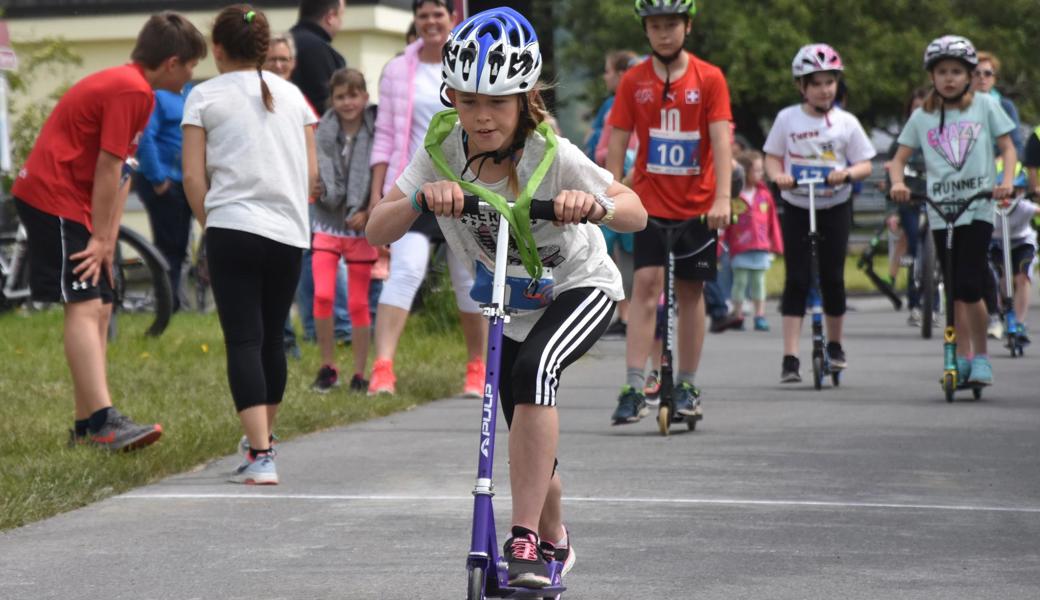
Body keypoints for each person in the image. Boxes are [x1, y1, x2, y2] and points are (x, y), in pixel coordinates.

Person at [366, 8, 645, 587]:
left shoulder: (554, 155)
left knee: (536, 369)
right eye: (467, 101)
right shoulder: (441, 149)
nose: (482, 116)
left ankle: (521, 540)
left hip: (579, 285)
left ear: (525, 100)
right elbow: (376, 229)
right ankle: (555, 537)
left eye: (497, 102)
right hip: (513, 298)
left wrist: (592, 205)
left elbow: (636, 211)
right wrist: (420, 200)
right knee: (523, 425)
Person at [12, 12, 206, 451]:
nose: (193, 74)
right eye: (192, 64)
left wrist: (108, 241)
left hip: (78, 202)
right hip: (52, 196)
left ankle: (86, 426)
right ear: (173, 62)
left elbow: (123, 174)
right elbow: (107, 165)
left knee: (101, 303)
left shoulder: (142, 92)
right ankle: (103, 421)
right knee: (83, 305)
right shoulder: (129, 88)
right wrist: (98, 239)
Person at [182, 5, 318, 485]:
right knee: (273, 337)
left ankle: (261, 454)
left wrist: (211, 222)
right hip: (288, 232)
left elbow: (193, 176)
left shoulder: (203, 95)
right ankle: (263, 443)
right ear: (264, 49)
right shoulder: (294, 97)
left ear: (216, 50)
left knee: (243, 338)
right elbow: (312, 176)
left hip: (232, 228)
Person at [606, 0, 733, 425]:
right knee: (644, 285)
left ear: (687, 26)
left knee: (693, 291)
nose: (664, 33)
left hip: (697, 205)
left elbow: (721, 141)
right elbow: (619, 140)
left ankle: (688, 383)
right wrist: (612, 190)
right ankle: (633, 383)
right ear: (646, 30)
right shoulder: (633, 81)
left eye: (672, 25)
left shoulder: (709, 78)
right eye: (656, 26)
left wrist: (723, 198)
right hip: (649, 202)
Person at [368, 0, 488, 397]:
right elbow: (384, 136)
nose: (431, 22)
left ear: (452, 18)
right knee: (405, 271)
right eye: (423, 15)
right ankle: (382, 369)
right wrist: (377, 196)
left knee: (468, 279)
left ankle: (477, 368)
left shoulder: (471, 63)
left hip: (465, 185)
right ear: (415, 21)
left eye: (438, 14)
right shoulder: (399, 69)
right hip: (414, 185)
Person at [889, 35, 1016, 386]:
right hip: (942, 210)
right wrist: (898, 184)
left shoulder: (985, 106)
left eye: (956, 72)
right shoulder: (922, 116)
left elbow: (1007, 148)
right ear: (932, 76)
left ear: (969, 75)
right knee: (953, 286)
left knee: (969, 285)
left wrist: (1005, 181)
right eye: (942, 71)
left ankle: (982, 358)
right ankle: (960, 356)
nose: (949, 78)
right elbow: (897, 160)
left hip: (977, 207)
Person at [764, 43, 875, 383]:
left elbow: (865, 163)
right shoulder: (787, 119)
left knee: (832, 277)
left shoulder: (846, 122)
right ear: (802, 87)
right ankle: (790, 357)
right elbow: (772, 156)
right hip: (799, 203)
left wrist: (847, 174)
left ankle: (836, 346)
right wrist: (777, 176)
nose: (824, 89)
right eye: (816, 83)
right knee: (796, 278)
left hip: (834, 204)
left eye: (829, 82)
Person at [265, 31, 351, 353]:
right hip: (271, 194)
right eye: (272, 59)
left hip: (304, 194)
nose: (278, 65)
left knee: (305, 262)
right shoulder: (258, 97)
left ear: (293, 63)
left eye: (284, 59)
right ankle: (285, 338)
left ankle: (321, 330)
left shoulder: (296, 98)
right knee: (282, 265)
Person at [310, 68, 379, 393]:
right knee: (322, 295)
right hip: (326, 222)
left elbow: (381, 176)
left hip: (359, 227)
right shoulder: (322, 132)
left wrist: (367, 212)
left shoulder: (376, 132)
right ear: (332, 100)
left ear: (365, 98)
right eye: (340, 96)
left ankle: (360, 373)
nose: (347, 102)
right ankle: (328, 367)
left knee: (358, 304)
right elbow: (311, 172)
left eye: (353, 95)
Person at [592, 49, 638, 337]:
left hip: (630, 186)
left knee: (632, 254)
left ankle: (634, 313)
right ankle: (621, 313)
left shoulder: (637, 104)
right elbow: (600, 143)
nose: (605, 76)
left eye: (608, 71)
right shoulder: (610, 105)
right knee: (606, 251)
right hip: (610, 182)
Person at [134, 84, 192, 312]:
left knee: (179, 247)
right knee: (169, 248)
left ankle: (173, 302)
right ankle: (167, 304)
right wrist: (158, 178)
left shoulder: (188, 93)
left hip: (183, 181)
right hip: (165, 182)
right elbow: (146, 137)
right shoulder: (157, 97)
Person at [720, 149, 783, 331]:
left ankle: (760, 315)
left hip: (761, 246)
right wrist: (720, 246)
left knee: (759, 282)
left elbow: (773, 222)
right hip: (740, 246)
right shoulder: (734, 196)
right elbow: (726, 224)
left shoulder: (765, 195)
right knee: (739, 282)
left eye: (761, 170)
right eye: (756, 170)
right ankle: (738, 314)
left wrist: (776, 244)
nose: (760, 174)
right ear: (745, 171)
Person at [989, 173, 1036, 344]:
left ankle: (1019, 322)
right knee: (1003, 279)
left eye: (1011, 193)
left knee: (1022, 279)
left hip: (1022, 243)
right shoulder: (990, 208)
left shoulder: (1024, 207)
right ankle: (1004, 309)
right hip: (999, 245)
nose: (1006, 199)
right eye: (1002, 194)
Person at [290, 0, 346, 112]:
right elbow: (326, 106)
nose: (342, 23)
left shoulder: (282, 45)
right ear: (330, 17)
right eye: (341, 15)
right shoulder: (322, 52)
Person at [972, 51, 1023, 158]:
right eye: (976, 73)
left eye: (987, 73)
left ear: (994, 78)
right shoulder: (955, 105)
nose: (982, 77)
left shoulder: (1006, 106)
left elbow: (1017, 147)